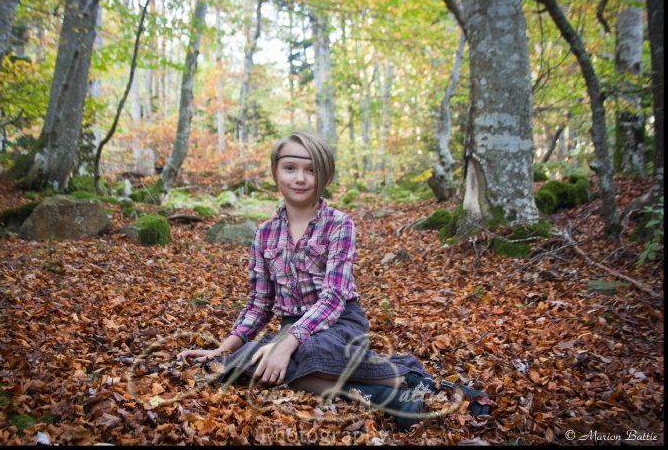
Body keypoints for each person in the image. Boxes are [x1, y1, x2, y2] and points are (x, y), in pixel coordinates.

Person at [177, 129, 490, 431]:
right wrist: (223, 349)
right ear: (276, 172)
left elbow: (334, 297)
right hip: (293, 326)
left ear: (324, 177)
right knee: (240, 365)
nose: (299, 178)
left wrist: (286, 343)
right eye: (290, 168)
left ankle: (407, 374)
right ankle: (391, 396)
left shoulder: (339, 225)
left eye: (310, 170)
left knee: (301, 354)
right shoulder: (264, 233)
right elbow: (259, 305)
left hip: (340, 322)